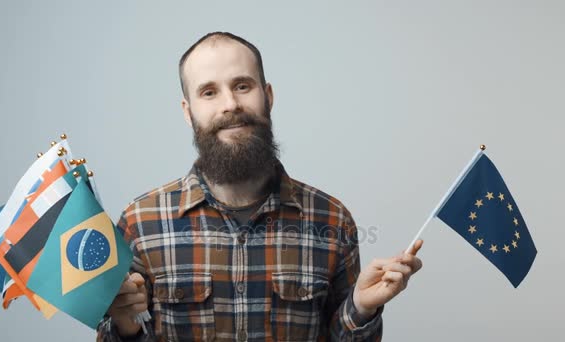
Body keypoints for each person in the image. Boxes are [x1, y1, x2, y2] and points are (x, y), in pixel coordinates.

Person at [96, 32, 423, 342]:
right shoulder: (140, 224)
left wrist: (362, 307)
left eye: (242, 85)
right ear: (188, 111)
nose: (230, 104)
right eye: (209, 92)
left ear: (267, 96)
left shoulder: (333, 221)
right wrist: (125, 326)